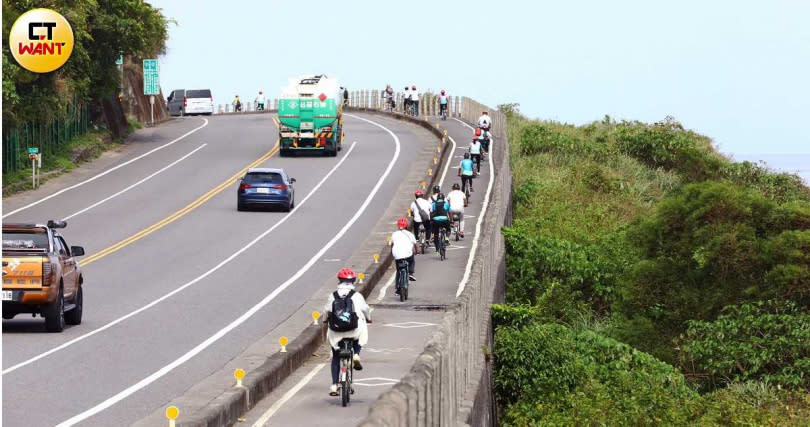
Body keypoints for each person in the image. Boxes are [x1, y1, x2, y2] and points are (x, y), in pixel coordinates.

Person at [325, 268, 371, 396]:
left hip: (337, 332)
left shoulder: (332, 295)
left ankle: (334, 385)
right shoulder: (356, 295)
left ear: (339, 280)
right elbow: (366, 309)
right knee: (362, 330)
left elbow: (326, 312)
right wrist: (369, 318)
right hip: (353, 330)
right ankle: (356, 354)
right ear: (353, 281)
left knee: (335, 356)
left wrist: (325, 321)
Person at [390, 217, 418, 292]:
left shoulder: (394, 234)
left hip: (397, 255)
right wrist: (416, 251)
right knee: (412, 261)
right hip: (408, 254)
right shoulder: (410, 234)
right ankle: (410, 273)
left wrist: (393, 253)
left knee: (399, 270)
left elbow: (391, 244)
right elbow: (415, 245)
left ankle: (397, 288)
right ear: (406, 225)